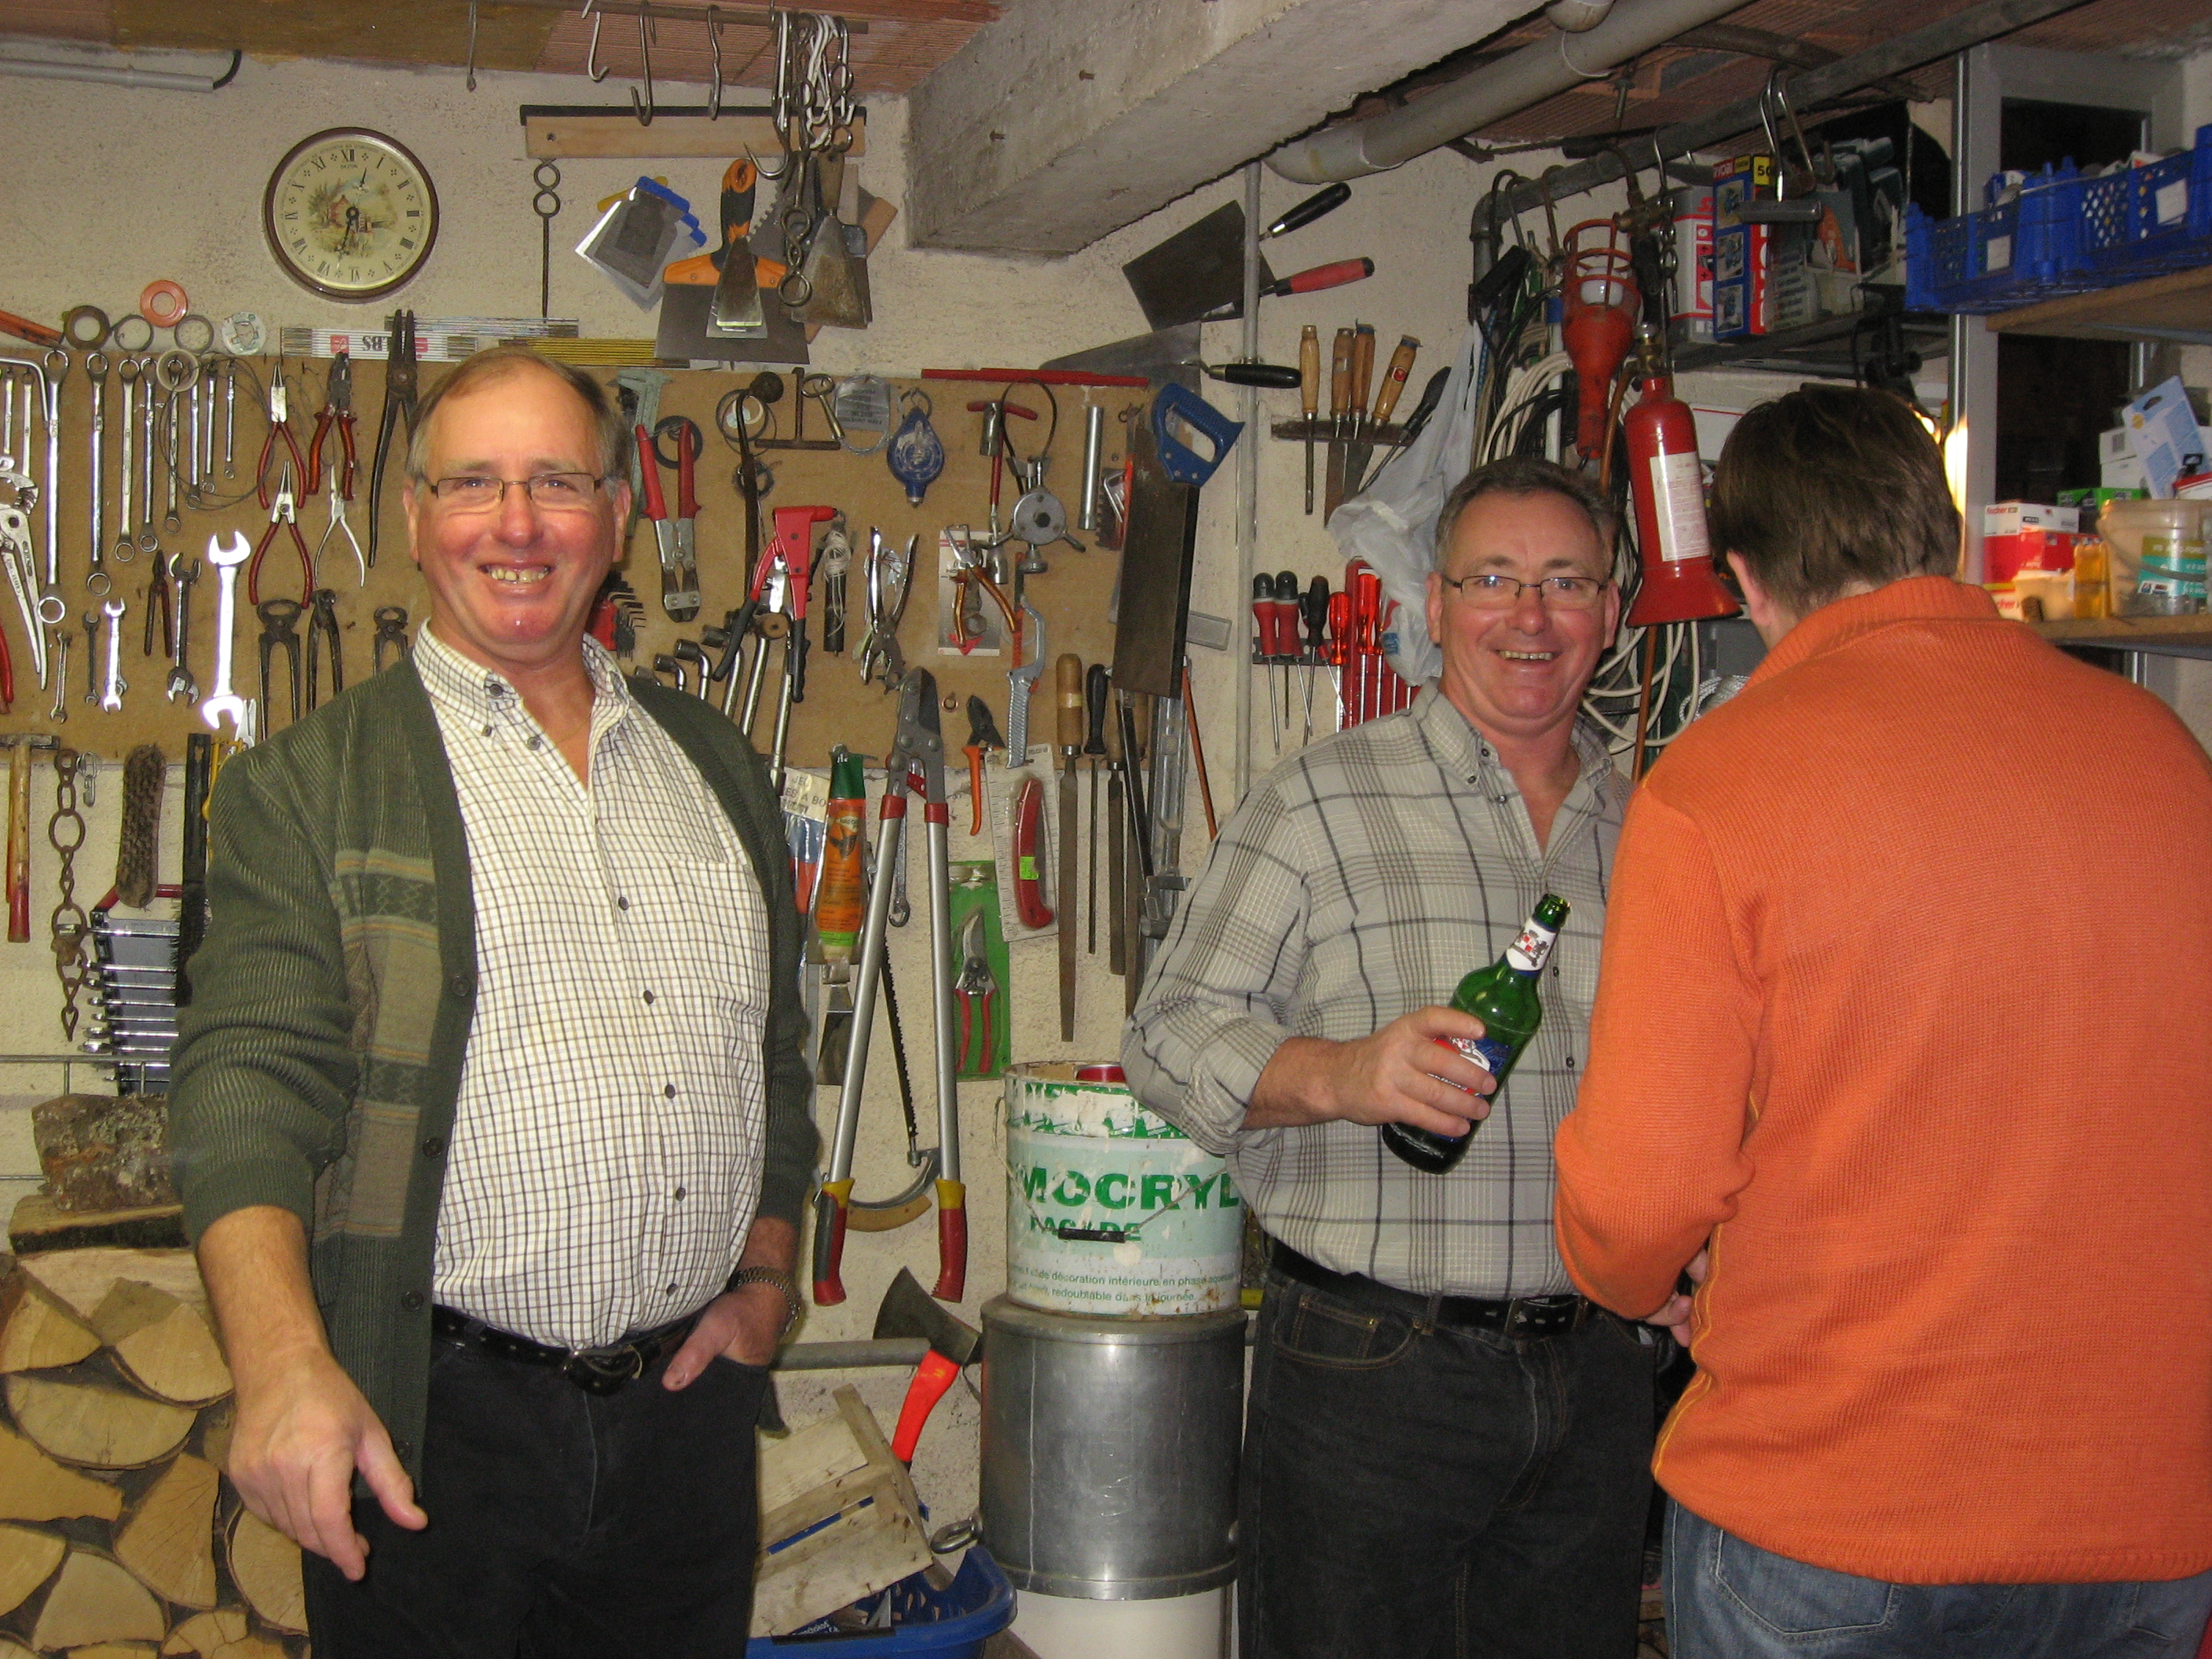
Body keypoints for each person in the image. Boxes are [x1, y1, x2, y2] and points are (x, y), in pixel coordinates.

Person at [171, 345, 816, 1657]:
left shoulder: (716, 763)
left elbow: (776, 1053)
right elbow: (247, 1086)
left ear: (617, 518)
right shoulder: (307, 785)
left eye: (556, 484)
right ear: (415, 518)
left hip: (685, 1425)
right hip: (432, 1428)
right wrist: (283, 1364)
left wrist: (765, 1271)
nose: (516, 525)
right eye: (473, 483)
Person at [1554, 384, 2212, 1658]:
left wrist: (1641, 1277)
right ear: (1944, 537)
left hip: (1837, 1510)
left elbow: (1641, 1202)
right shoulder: (2165, 756)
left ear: (1745, 579)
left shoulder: (1718, 785)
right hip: (2140, 1516)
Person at [1124, 456, 1656, 1659]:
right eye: (1494, 580)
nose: (1530, 616)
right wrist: (1340, 1075)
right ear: (1435, 605)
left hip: (1598, 1376)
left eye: (1567, 581)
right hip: (1373, 1374)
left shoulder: (1657, 830)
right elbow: (1164, 1033)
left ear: (1612, 608)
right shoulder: (1320, 804)